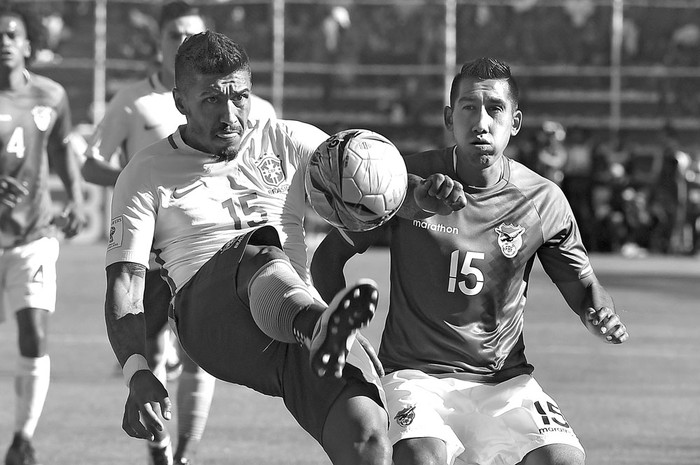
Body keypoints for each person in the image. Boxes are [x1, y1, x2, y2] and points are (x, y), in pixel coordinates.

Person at [103, 31, 415, 465]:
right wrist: (137, 372)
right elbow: (125, 285)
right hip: (212, 321)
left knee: (366, 435)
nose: (231, 114)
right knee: (262, 251)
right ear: (180, 101)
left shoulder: (285, 139)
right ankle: (317, 325)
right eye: (212, 99)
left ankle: (317, 327)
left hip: (297, 321)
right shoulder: (145, 172)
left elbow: (363, 176)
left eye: (241, 97)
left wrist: (420, 194)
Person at [311, 57, 630, 465]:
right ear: (449, 117)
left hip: (504, 382)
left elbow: (583, 285)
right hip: (416, 378)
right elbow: (327, 260)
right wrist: (347, 336)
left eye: (495, 109)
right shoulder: (401, 181)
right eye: (468, 108)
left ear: (515, 121)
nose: (482, 121)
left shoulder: (543, 200)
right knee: (419, 459)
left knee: (563, 460)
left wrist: (599, 312)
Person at [82, 3, 277, 464]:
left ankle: (182, 454)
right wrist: (140, 196)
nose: (184, 39)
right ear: (162, 42)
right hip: (147, 255)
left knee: (195, 353)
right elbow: (93, 162)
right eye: (175, 34)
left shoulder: (251, 109)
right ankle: (161, 447)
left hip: (205, 253)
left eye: (193, 32)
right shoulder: (133, 101)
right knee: (150, 350)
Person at [0, 5, 86, 465]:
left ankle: (22, 440)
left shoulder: (50, 96)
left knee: (34, 335)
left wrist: (73, 197)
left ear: (29, 44)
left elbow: (62, 151)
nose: (4, 41)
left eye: (12, 34)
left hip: (31, 238)